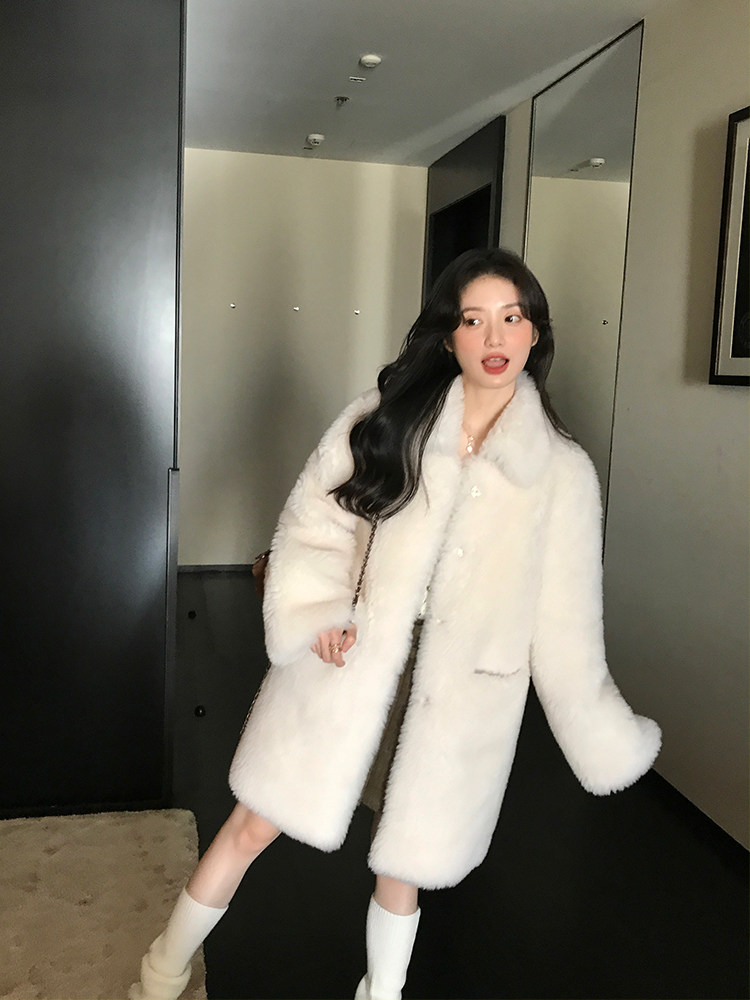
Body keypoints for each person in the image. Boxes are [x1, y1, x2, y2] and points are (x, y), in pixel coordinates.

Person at [130, 247, 661, 1000]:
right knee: (253, 824)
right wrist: (319, 613)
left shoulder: (563, 473)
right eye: (473, 320)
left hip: (461, 693)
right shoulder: (388, 420)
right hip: (349, 657)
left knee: (403, 867)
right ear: (448, 336)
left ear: (536, 332)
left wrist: (604, 735)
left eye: (512, 318)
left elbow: (567, 619)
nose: (494, 337)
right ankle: (161, 969)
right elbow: (316, 523)